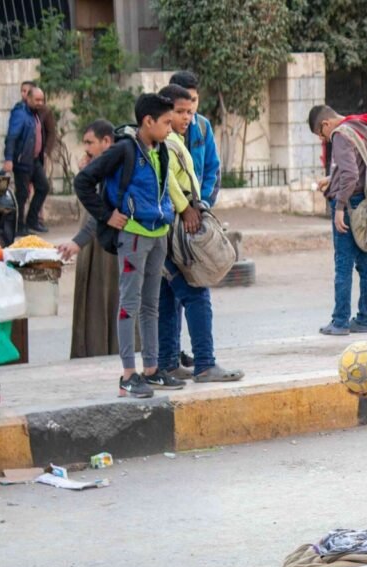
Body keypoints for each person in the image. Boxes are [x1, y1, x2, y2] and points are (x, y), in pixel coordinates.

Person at [74, 93, 184, 398]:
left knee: (151, 304)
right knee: (129, 304)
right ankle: (127, 375)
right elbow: (83, 182)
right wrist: (107, 215)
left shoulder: (160, 149)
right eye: (165, 122)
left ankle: (151, 370)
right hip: (132, 237)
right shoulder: (124, 150)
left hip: (157, 233)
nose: (170, 127)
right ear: (147, 121)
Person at [156, 84, 244, 384]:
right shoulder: (165, 141)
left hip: (170, 230)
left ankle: (168, 362)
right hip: (175, 230)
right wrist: (186, 208)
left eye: (189, 112)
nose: (186, 118)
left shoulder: (177, 138)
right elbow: (166, 181)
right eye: (179, 112)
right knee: (196, 293)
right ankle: (205, 363)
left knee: (168, 296)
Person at [58, 120, 125, 358]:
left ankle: (105, 352)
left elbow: (100, 213)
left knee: (104, 299)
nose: (86, 147)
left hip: (104, 246)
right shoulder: (97, 167)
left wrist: (77, 242)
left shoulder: (114, 167)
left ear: (107, 141)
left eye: (90, 142)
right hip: (92, 244)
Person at [308, 104, 367, 336]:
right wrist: (331, 178)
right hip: (363, 201)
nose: (324, 139)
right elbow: (358, 167)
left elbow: (350, 174)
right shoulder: (362, 128)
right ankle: (366, 318)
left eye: (321, 134)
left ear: (325, 124)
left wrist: (339, 207)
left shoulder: (340, 134)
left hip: (348, 205)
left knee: (343, 264)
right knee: (365, 263)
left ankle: (340, 321)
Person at [3, 86, 51, 236]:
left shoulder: (36, 114)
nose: (40, 102)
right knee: (22, 195)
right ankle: (18, 226)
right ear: (28, 98)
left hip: (35, 160)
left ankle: (32, 220)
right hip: (22, 160)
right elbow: (11, 137)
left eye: (42, 100)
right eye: (37, 100)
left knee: (43, 187)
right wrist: (9, 158)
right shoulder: (20, 113)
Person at [168, 71, 220, 206]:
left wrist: (204, 203)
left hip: (198, 205)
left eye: (193, 100)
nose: (190, 106)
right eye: (183, 103)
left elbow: (212, 168)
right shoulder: (160, 130)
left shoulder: (203, 126)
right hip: (170, 208)